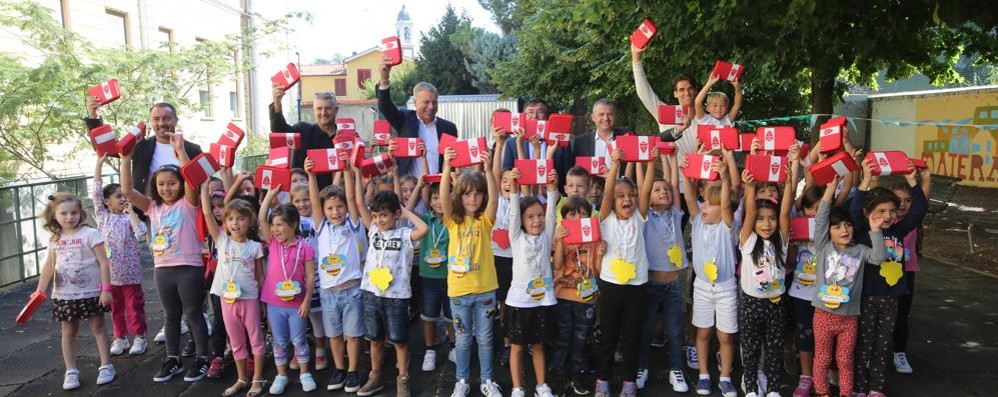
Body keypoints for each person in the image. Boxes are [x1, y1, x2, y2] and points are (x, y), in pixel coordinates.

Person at [120, 133, 211, 383]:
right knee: (171, 316)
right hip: (163, 270)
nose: (167, 188)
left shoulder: (188, 204)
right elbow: (127, 190)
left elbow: (193, 181)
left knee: (193, 314)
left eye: (172, 183)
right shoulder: (152, 207)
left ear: (180, 184)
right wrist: (125, 159)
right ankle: (173, 359)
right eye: (161, 184)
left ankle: (203, 358)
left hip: (189, 267)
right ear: (155, 186)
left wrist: (180, 150)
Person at [850, 159, 927, 397]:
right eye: (880, 211)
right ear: (868, 214)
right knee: (863, 343)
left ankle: (875, 387)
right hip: (866, 296)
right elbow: (854, 209)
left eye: (892, 211)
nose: (887, 216)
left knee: (882, 346)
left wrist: (914, 181)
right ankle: (859, 386)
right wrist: (864, 181)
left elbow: (918, 210)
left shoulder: (898, 230)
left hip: (891, 298)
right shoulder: (863, 231)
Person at [351, 167, 430, 397]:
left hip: (396, 297)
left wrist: (406, 212)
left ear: (395, 214)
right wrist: (358, 174)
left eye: (384, 215)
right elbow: (357, 201)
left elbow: (423, 229)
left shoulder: (404, 235)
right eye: (375, 215)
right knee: (375, 339)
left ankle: (402, 378)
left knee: (399, 340)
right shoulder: (373, 230)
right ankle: (375, 376)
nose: (379, 219)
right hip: (372, 293)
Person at [811, 177, 888, 397]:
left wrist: (875, 230)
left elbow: (879, 257)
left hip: (849, 318)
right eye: (837, 227)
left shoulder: (861, 251)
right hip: (823, 315)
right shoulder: (823, 246)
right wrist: (830, 190)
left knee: (845, 359)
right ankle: (822, 391)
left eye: (847, 225)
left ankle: (846, 392)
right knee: (823, 358)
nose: (844, 230)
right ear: (829, 231)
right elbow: (821, 218)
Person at [439, 146, 503, 397]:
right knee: (464, 339)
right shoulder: (452, 220)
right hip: (459, 291)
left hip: (485, 289)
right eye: (467, 194)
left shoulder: (484, 220)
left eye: (478, 194)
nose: (473, 198)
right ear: (460, 197)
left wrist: (488, 170)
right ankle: (462, 380)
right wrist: (446, 168)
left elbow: (495, 199)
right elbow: (444, 197)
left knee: (486, 338)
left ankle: (487, 380)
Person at [36, 192, 116, 390]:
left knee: (98, 327)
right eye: (64, 213)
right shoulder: (55, 238)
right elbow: (49, 265)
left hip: (91, 292)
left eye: (74, 212)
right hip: (64, 293)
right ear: (54, 215)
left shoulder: (90, 234)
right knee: (68, 331)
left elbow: (104, 263)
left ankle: (106, 365)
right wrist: (39, 289)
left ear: (81, 213)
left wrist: (106, 290)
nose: (69, 217)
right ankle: (70, 370)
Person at [593, 147, 656, 397]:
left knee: (631, 337)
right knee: (609, 336)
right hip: (610, 286)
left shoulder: (639, 217)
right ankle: (603, 380)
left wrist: (650, 162)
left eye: (630, 195)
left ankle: (629, 382)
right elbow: (608, 191)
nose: (626, 199)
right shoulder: (606, 219)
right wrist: (615, 165)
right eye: (621, 196)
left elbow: (647, 190)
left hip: (637, 286)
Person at [305, 156, 366, 393]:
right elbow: (314, 202)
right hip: (329, 292)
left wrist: (347, 170)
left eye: (339, 207)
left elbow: (351, 197)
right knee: (335, 335)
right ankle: (339, 369)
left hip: (352, 290)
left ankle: (352, 370)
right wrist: (311, 176)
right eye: (330, 208)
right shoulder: (321, 228)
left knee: (353, 335)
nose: (335, 211)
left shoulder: (352, 225)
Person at [737, 156, 798, 397]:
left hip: (775, 303)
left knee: (773, 349)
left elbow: (785, 213)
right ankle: (751, 388)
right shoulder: (748, 240)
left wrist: (790, 181)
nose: (767, 223)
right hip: (750, 304)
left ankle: (773, 388)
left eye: (771, 219)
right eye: (762, 220)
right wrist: (750, 187)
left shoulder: (781, 243)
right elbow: (750, 212)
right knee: (750, 349)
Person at [199, 184, 267, 397]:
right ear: (225, 223)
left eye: (240, 219)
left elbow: (260, 276)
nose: (235, 223)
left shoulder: (255, 247)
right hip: (227, 301)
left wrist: (263, 301)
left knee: (255, 340)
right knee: (236, 342)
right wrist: (203, 188)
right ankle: (241, 379)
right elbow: (208, 213)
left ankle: (257, 379)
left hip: (249, 300)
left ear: (250, 221)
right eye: (230, 219)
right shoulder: (222, 241)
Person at [680, 153, 738, 397]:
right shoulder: (698, 222)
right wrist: (686, 173)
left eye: (709, 204)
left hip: (726, 288)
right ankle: (704, 374)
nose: (704, 207)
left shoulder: (727, 226)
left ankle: (725, 377)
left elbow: (725, 204)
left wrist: (724, 179)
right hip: (703, 287)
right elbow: (690, 196)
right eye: (704, 203)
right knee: (702, 333)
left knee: (724, 335)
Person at [504, 167, 560, 397]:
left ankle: (541, 385)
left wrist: (552, 189)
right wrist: (515, 189)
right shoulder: (516, 237)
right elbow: (514, 214)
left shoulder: (547, 236)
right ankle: (517, 387)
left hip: (543, 300)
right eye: (531, 216)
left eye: (539, 215)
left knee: (539, 345)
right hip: (519, 301)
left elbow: (551, 215)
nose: (537, 220)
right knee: (517, 347)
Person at [635, 154, 689, 392]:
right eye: (657, 190)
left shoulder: (675, 214)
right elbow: (642, 189)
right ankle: (642, 367)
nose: (664, 192)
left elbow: (675, 185)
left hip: (674, 284)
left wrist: (671, 159)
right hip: (651, 282)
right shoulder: (645, 216)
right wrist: (644, 162)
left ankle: (676, 370)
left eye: (665, 190)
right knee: (646, 328)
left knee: (675, 330)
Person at [258, 191, 318, 394]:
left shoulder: (305, 247)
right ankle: (281, 375)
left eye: (279, 225)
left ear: (293, 225)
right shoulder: (273, 243)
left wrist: (307, 301)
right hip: (274, 303)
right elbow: (260, 217)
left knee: (299, 339)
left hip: (297, 304)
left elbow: (310, 276)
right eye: (273, 225)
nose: (274, 229)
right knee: (279, 340)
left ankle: (304, 373)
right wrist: (271, 195)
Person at [85, 99, 201, 198]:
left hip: (184, 215)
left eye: (167, 118)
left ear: (176, 120)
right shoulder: (140, 146)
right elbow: (107, 148)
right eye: (156, 119)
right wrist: (95, 117)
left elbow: (204, 184)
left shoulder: (192, 150)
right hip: (147, 214)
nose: (161, 123)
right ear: (150, 121)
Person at [93, 155, 148, 357]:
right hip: (111, 274)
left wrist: (132, 212)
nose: (122, 198)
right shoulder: (102, 216)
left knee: (134, 306)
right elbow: (96, 193)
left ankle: (139, 336)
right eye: (118, 196)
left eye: (123, 195)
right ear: (107, 202)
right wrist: (98, 166)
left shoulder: (127, 219)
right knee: (115, 308)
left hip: (131, 272)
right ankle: (120, 337)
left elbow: (141, 232)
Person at [550, 197, 605, 396]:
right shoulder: (561, 237)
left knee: (581, 338)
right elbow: (557, 266)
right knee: (563, 337)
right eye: (572, 214)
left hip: (586, 296)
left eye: (583, 213)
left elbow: (597, 272)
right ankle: (558, 376)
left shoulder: (595, 238)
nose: (578, 217)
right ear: (564, 217)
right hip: (563, 294)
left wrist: (599, 253)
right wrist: (557, 240)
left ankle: (577, 375)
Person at [377, 54, 458, 177]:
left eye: (434, 102)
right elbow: (385, 106)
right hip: (410, 190)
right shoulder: (404, 119)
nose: (431, 107)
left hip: (438, 190)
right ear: (415, 102)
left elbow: (453, 161)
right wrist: (384, 78)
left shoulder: (448, 128)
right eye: (426, 102)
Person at [889, 170, 931, 375]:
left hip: (906, 274)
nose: (903, 204)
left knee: (902, 316)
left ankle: (899, 353)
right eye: (899, 200)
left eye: (907, 200)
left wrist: (924, 179)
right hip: (884, 274)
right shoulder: (888, 222)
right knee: (880, 315)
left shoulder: (911, 223)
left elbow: (922, 202)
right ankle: (872, 353)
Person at [414, 180, 457, 372]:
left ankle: (454, 346)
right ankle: (429, 350)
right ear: (429, 202)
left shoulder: (455, 220)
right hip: (429, 276)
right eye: (435, 198)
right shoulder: (424, 219)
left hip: (450, 276)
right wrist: (418, 186)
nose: (440, 201)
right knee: (428, 316)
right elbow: (406, 210)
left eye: (444, 196)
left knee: (451, 316)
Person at [630, 42, 700, 159]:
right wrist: (636, 59)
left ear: (696, 91)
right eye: (681, 90)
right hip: (671, 176)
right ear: (675, 93)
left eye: (690, 89)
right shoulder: (666, 114)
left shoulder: (705, 120)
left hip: (701, 176)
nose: (686, 93)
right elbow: (644, 92)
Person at [271, 87, 341, 190]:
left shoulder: (345, 137)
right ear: (313, 110)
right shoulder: (302, 131)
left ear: (336, 110)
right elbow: (280, 132)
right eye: (319, 108)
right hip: (302, 199)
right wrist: (277, 102)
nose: (323, 113)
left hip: (333, 200)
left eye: (328, 108)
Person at [499, 100, 574, 192]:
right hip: (523, 198)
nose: (535, 116)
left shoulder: (560, 143)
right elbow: (506, 174)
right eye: (530, 112)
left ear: (547, 117)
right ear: (523, 117)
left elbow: (569, 174)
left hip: (555, 195)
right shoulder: (512, 144)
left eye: (540, 111)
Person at [571, 99, 629, 166]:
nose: (606, 118)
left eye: (610, 114)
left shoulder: (626, 137)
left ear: (615, 116)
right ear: (593, 117)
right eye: (601, 114)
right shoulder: (580, 142)